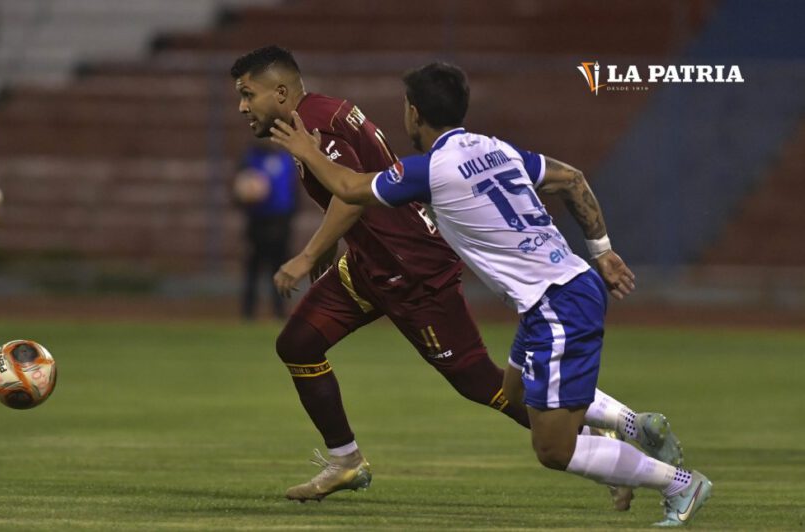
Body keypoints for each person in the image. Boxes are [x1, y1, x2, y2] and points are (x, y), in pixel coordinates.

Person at [231, 46, 680, 508]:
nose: (243, 106)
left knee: (482, 383)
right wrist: (331, 250)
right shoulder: (324, 110)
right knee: (298, 344)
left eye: (248, 95)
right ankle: (346, 461)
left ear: (281, 92)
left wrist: (308, 254)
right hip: (371, 264)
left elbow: (351, 192)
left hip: (411, 271)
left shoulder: (315, 129)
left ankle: (598, 442)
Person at [232, 141, 298, 319]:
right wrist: (245, 195)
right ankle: (248, 312)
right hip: (257, 222)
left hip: (280, 223)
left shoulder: (286, 159)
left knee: (279, 269)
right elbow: (237, 191)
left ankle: (280, 310)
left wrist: (289, 216)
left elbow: (294, 191)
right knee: (253, 267)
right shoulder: (250, 159)